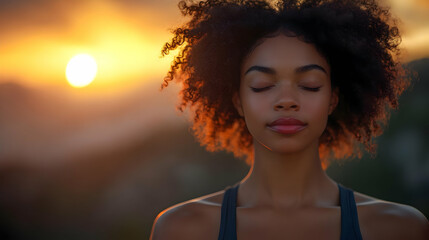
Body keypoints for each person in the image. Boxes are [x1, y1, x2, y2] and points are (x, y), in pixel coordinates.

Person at [150, 0, 429, 239]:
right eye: (261, 85)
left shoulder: (397, 228)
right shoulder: (183, 230)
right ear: (238, 101)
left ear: (333, 99)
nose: (286, 100)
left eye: (309, 84)